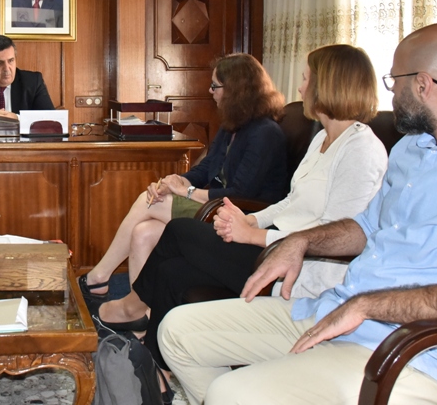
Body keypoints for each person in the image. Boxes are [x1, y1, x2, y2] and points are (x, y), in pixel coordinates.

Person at [158, 23, 437, 405]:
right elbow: (366, 227)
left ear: (423, 84)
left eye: (394, 81)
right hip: (335, 312)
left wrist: (366, 305)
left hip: (415, 354)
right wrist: (300, 241)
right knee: (178, 332)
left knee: (233, 403)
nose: (390, 94)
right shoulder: (412, 149)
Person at [100, 45, 387, 370]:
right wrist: (250, 219)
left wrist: (253, 236)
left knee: (179, 230)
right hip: (274, 245)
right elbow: (290, 203)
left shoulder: (361, 150)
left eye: (306, 79)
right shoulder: (321, 140)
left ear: (329, 85)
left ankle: (131, 307)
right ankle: (160, 373)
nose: (300, 88)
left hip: (299, 270)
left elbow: (336, 235)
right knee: (171, 272)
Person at [80, 53, 288, 309]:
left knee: (149, 201)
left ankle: (99, 277)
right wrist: (176, 181)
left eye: (215, 85)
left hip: (240, 216)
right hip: (217, 205)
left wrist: (186, 192)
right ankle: (142, 314)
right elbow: (206, 169)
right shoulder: (232, 126)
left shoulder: (265, 133)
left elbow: (241, 193)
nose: (210, 91)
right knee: (143, 232)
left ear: (236, 90)